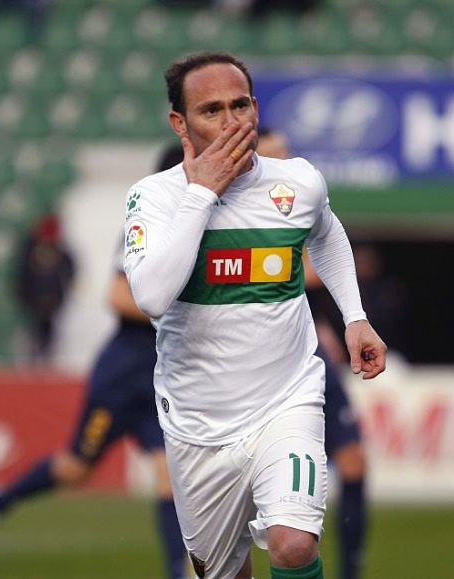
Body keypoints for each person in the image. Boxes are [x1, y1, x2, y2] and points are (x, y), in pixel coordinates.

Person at [123, 51, 386, 579]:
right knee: (223, 572)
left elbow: (327, 234)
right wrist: (202, 193)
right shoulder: (152, 198)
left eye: (240, 105)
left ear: (256, 108)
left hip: (287, 399)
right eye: (212, 110)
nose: (231, 122)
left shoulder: (298, 181)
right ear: (180, 123)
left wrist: (355, 315)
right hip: (198, 425)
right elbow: (151, 296)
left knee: (293, 545)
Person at [0, 148, 188, 579]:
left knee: (168, 476)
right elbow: (118, 297)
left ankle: (179, 572)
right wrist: (186, 310)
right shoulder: (148, 225)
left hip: (166, 375)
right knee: (75, 468)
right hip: (125, 371)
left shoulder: (203, 228)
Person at [259, 126, 369, 579]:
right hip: (262, 360)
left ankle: (349, 570)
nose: (287, 160)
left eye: (288, 151)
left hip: (313, 355)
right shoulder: (249, 215)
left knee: (353, 460)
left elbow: (326, 260)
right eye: (275, 154)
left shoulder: (301, 204)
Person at [14, 212, 75, 363]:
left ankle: (46, 357)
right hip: (34, 299)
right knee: (35, 330)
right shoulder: (30, 247)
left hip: (52, 299)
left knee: (49, 331)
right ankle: (34, 357)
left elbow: (71, 268)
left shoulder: (60, 249)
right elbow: (22, 272)